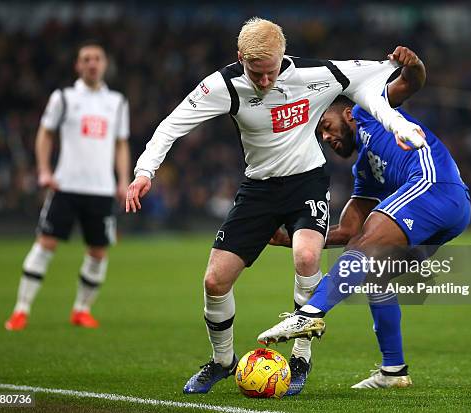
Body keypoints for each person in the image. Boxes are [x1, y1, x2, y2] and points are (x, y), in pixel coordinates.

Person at [125, 17, 425, 395]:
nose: (264, 82)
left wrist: (400, 96)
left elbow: (376, 74)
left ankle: (300, 358)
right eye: (255, 73)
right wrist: (145, 171)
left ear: (284, 55)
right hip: (258, 190)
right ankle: (221, 362)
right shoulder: (222, 86)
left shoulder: (317, 74)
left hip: (307, 182)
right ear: (240, 58)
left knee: (306, 258)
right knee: (215, 281)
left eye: (270, 73)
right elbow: (172, 125)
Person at [258, 88, 471, 389]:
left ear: (347, 114)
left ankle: (309, 314)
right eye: (320, 135)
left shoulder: (369, 111)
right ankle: (394, 371)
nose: (326, 137)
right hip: (450, 212)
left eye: (326, 126)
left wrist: (413, 67)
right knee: (375, 275)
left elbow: (409, 82)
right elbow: (347, 231)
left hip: (434, 185)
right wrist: (289, 238)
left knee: (364, 246)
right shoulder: (365, 170)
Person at [5, 41, 130, 331]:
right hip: (66, 185)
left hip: (101, 188)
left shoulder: (117, 102)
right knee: (46, 243)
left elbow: (121, 144)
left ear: (105, 64)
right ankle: (21, 310)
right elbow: (45, 134)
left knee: (98, 251)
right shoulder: (63, 97)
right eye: (86, 59)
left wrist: (123, 180)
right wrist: (44, 170)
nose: (92, 63)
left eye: (97, 58)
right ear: (78, 65)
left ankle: (82, 309)